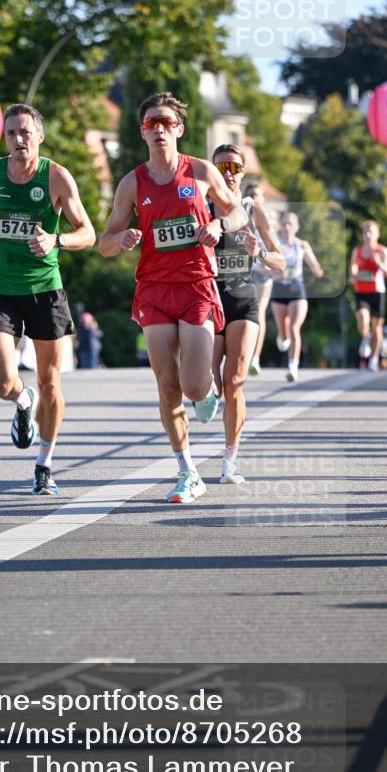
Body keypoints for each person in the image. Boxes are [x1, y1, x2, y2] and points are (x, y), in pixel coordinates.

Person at [99, 92, 247, 505]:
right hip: (154, 289)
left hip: (197, 284)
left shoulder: (200, 172)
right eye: (151, 124)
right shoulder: (132, 182)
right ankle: (187, 471)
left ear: (179, 129)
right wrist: (122, 238)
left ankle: (207, 395)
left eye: (166, 123)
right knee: (167, 387)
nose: (159, 129)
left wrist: (218, 225)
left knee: (195, 386)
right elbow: (104, 242)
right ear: (142, 132)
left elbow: (236, 211)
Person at [0, 102, 96, 496]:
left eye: (25, 132)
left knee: (51, 383)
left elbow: (88, 232)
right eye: (11, 132)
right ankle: (21, 401)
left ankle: (44, 464)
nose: (18, 139)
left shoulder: (57, 178)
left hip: (46, 291)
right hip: (1, 291)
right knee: (1, 382)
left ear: (39, 136)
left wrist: (57, 239)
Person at [208, 147, 284, 483]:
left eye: (234, 167)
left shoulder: (255, 210)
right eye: (221, 166)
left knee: (235, 381)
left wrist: (262, 252)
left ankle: (230, 460)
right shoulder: (201, 207)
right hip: (208, 300)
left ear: (242, 171)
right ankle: (204, 398)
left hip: (243, 300)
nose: (227, 172)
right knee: (209, 384)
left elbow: (281, 261)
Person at [270, 212, 323, 383]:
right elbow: (266, 265)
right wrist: (275, 271)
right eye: (284, 223)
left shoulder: (302, 245)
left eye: (290, 224)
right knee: (284, 334)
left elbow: (313, 262)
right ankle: (282, 335)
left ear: (297, 227)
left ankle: (293, 367)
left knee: (294, 328)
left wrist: (316, 268)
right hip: (279, 289)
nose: (287, 227)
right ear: (280, 226)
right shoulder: (275, 243)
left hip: (296, 289)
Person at [350, 220, 387, 372]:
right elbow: (353, 268)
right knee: (362, 320)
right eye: (365, 232)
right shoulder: (358, 250)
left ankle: (374, 358)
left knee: (377, 328)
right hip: (361, 291)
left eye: (371, 232)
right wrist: (354, 274)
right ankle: (365, 338)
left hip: (378, 292)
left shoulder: (383, 251)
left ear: (377, 234)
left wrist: (379, 263)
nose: (367, 235)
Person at [244, 182, 275, 376]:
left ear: (263, 198)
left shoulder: (269, 217)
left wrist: (268, 261)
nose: (254, 198)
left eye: (257, 195)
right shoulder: (238, 214)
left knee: (259, 312)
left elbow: (275, 246)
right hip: (243, 270)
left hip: (262, 271)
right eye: (250, 194)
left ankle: (255, 358)